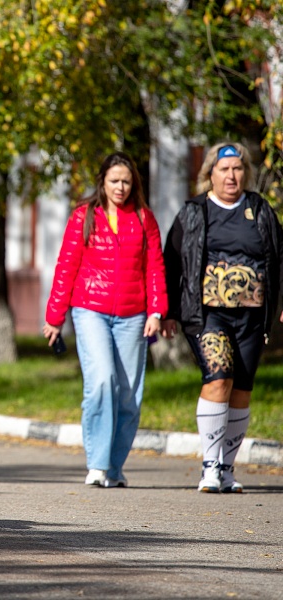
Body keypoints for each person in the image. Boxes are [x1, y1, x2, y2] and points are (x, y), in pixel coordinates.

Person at [161, 142, 283, 493]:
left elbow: (280, 256)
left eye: (238, 169)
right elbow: (171, 262)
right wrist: (168, 311)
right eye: (224, 169)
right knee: (219, 378)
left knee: (241, 387)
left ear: (246, 173)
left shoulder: (260, 210)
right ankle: (210, 466)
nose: (232, 176)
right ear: (210, 174)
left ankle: (227, 468)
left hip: (252, 317)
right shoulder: (194, 212)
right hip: (207, 315)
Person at [43, 152, 168, 488]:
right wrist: (54, 317)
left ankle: (114, 468)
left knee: (129, 395)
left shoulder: (143, 218)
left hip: (133, 314)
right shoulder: (84, 216)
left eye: (126, 181)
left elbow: (155, 266)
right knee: (101, 381)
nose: (120, 187)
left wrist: (157, 311)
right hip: (90, 309)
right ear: (102, 182)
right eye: (114, 181)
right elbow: (66, 266)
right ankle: (97, 465)